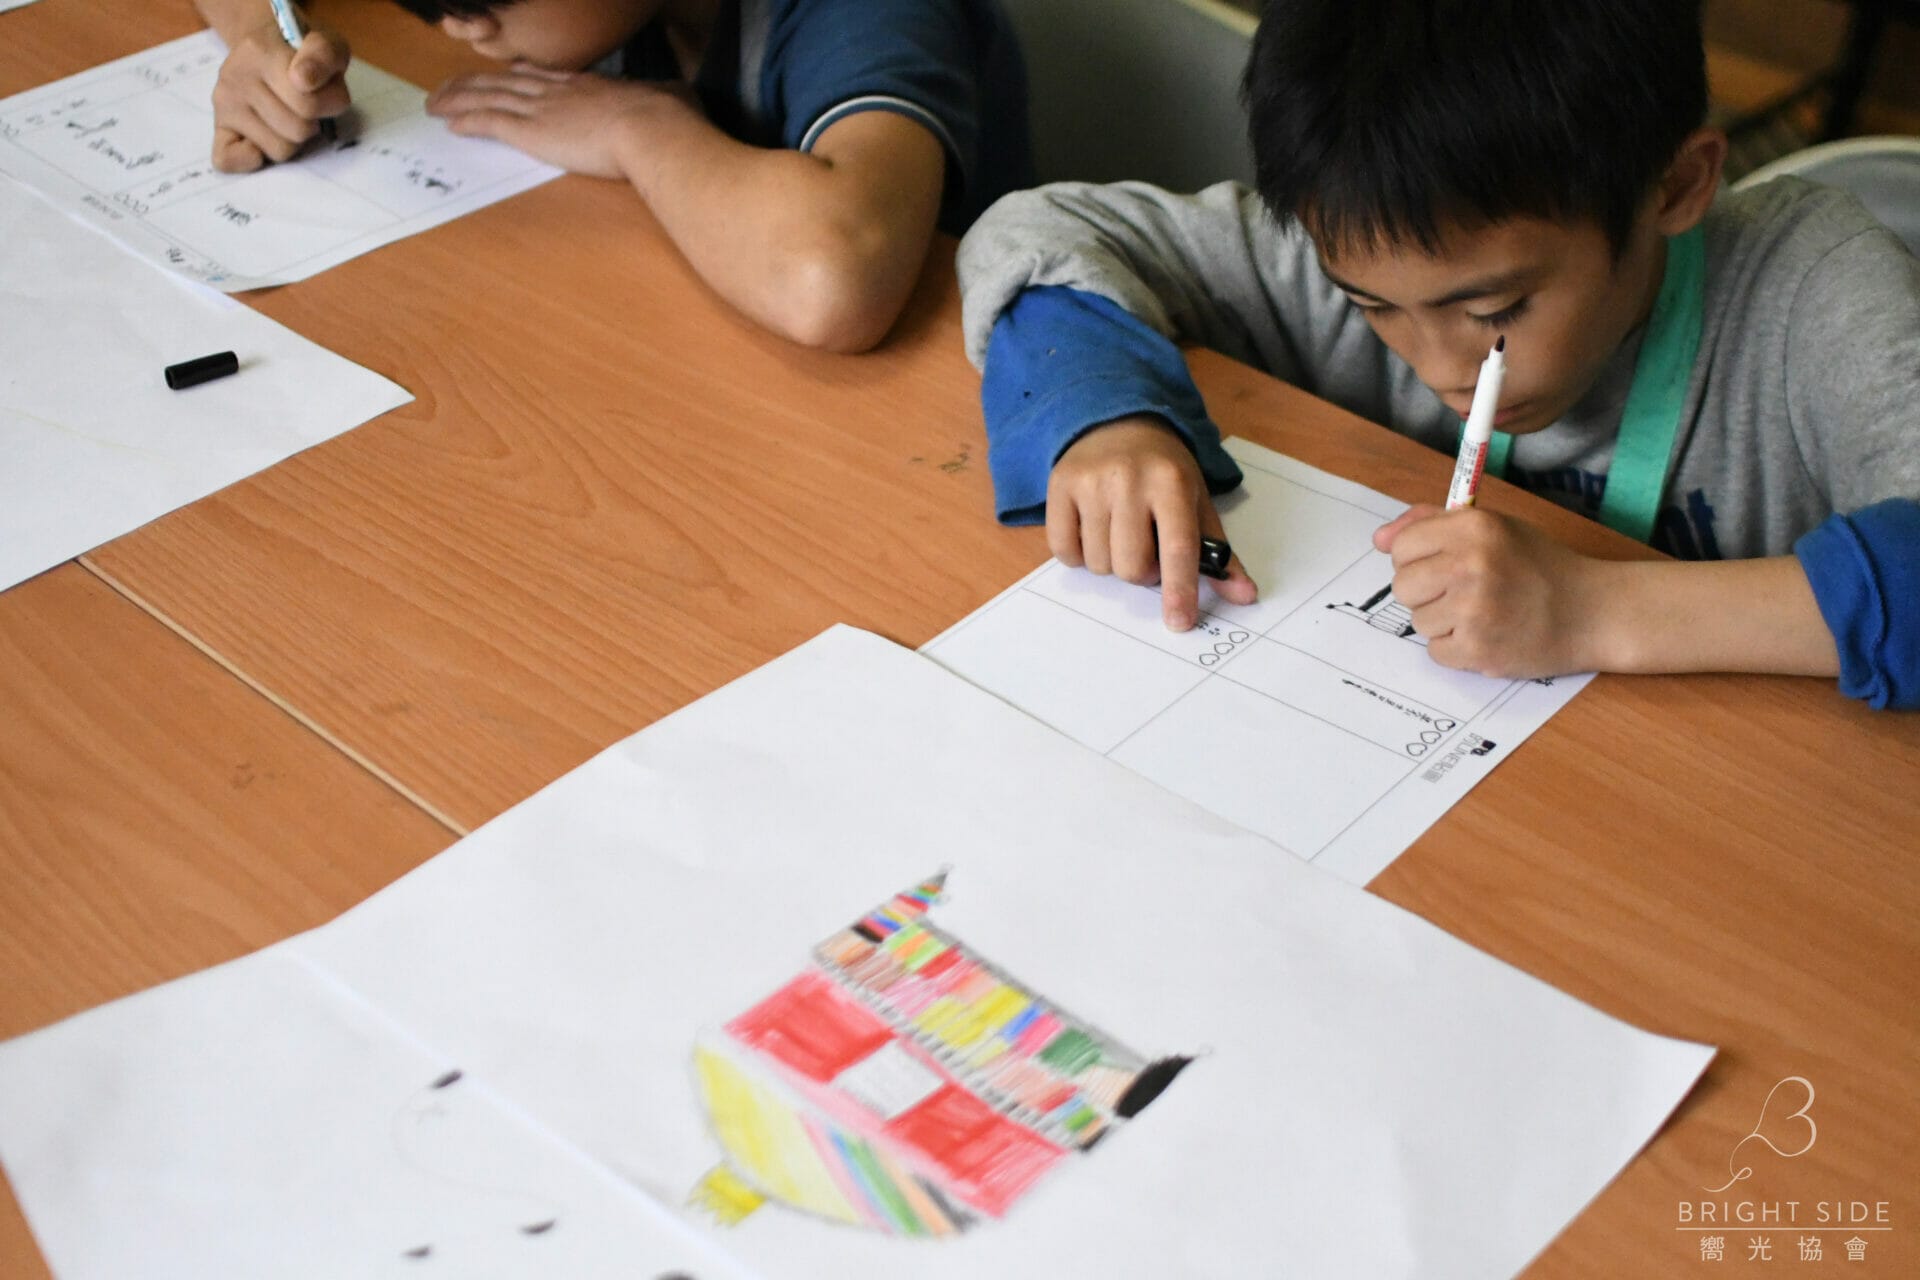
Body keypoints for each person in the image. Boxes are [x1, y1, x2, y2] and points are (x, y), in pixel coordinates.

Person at [954, 0, 1919, 709]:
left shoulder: (1813, 289)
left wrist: (1593, 611)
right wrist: (1106, 412)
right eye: (1372, 307)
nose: (1439, 365)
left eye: (1495, 309)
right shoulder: (1364, 231)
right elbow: (1036, 232)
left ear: (1672, 186)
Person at [194, 0, 1030, 352]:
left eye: (482, 0)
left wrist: (637, 127)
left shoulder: (873, 12)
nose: (459, 28)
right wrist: (264, 39)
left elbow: (831, 280)